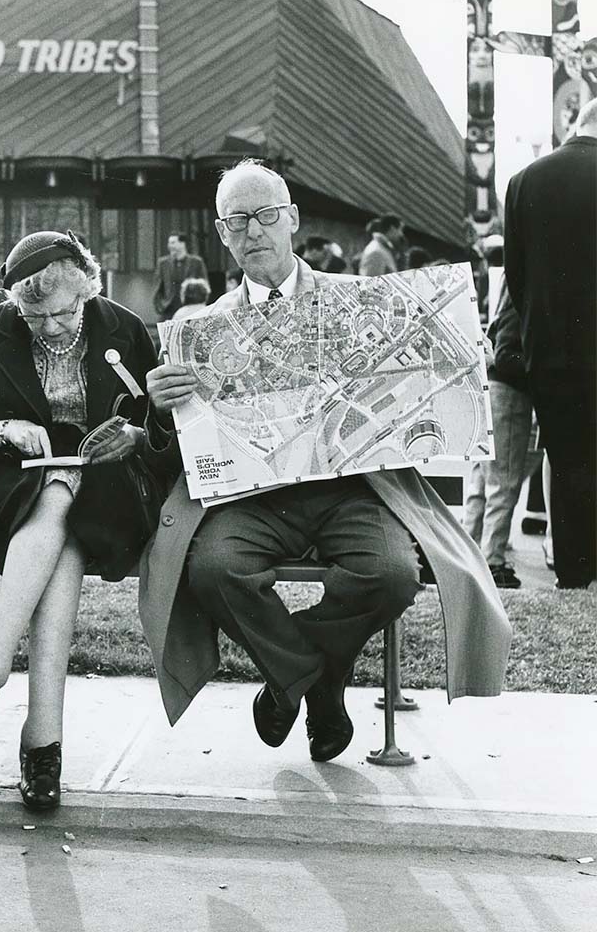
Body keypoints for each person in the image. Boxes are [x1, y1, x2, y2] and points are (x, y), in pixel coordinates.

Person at [139, 159, 511, 762]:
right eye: (239, 221)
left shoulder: (362, 303)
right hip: (253, 498)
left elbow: (424, 381)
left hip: (352, 490)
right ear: (222, 233)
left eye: (265, 215)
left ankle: (300, 678)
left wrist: (464, 358)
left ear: (292, 220)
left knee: (393, 574)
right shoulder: (199, 330)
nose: (254, 230)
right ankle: (319, 682)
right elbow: (179, 447)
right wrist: (162, 408)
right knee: (213, 568)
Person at [0, 230, 157, 809]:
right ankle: (43, 742)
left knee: (65, 500)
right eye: (35, 317)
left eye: (66, 312)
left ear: (88, 288)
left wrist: (136, 436)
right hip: (9, 494)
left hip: (108, 494)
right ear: (15, 305)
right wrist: (0, 431)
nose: (53, 327)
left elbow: (165, 428)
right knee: (57, 501)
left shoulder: (125, 329)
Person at [503, 97, 597, 589]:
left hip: (551, 348)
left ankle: (575, 568)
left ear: (576, 125)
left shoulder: (524, 182)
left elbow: (516, 279)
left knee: (566, 458)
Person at [463, 284, 533, 588]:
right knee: (503, 481)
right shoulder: (522, 305)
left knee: (481, 480)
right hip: (509, 395)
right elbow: (507, 357)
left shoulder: (506, 303)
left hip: (488, 390)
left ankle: (468, 550)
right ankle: (493, 560)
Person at [152, 233, 208, 327]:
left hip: (190, 309)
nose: (169, 246)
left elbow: (205, 286)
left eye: (173, 242)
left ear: (182, 244)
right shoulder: (162, 263)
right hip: (168, 310)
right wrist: (161, 306)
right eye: (169, 243)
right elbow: (157, 287)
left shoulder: (196, 262)